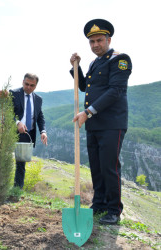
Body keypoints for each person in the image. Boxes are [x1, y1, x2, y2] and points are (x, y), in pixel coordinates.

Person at [70, 19, 132, 225]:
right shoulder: (95, 63)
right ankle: (99, 204)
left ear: (108, 39)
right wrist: (75, 68)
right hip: (94, 123)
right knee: (96, 166)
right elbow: (84, 88)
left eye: (99, 40)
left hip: (112, 124)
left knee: (109, 166)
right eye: (92, 42)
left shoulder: (120, 59)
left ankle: (114, 210)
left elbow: (115, 91)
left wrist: (87, 112)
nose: (95, 45)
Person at [10, 73, 48, 189]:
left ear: (35, 86)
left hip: (27, 133)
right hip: (11, 131)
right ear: (23, 82)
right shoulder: (14, 94)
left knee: (21, 162)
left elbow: (40, 116)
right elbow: (6, 112)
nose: (28, 87)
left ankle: (17, 188)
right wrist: (17, 122)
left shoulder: (38, 99)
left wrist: (43, 131)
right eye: (26, 84)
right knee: (4, 158)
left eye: (32, 85)